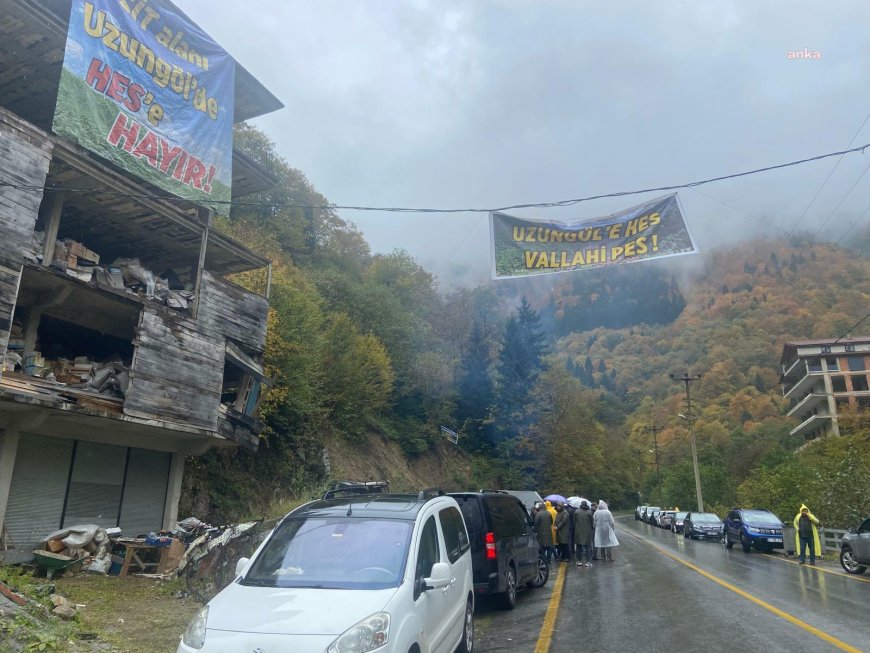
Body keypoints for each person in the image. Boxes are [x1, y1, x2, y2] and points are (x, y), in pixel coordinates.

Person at [573, 500, 594, 567]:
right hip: (587, 531)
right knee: (588, 546)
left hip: (578, 531)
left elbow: (574, 521)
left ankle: (578, 561)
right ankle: (588, 562)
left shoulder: (576, 512)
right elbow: (592, 522)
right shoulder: (589, 512)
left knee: (578, 546)